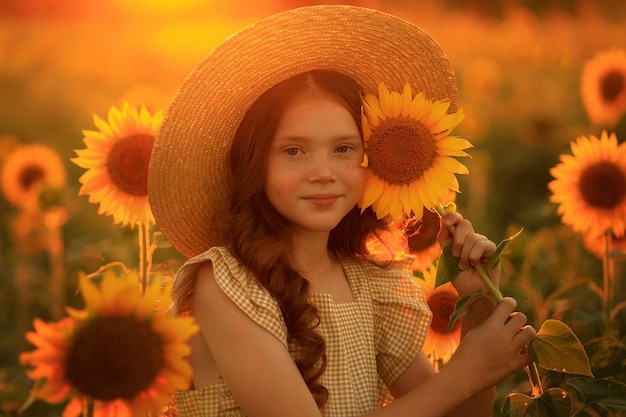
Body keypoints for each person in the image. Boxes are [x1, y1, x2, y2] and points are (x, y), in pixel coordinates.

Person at [147, 5, 536, 417]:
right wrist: (465, 373)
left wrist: (475, 305)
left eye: (344, 149)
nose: (323, 173)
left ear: (375, 158)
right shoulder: (226, 282)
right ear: (254, 162)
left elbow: (461, 415)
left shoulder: (368, 284)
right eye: (293, 150)